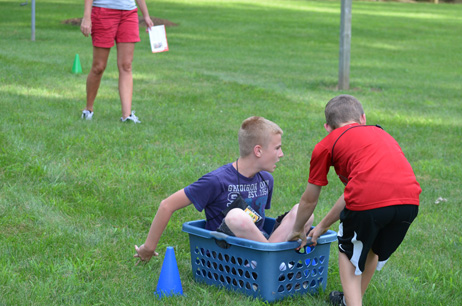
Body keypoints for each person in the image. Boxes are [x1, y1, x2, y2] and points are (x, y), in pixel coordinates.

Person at [288, 95, 421, 306]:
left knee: (349, 255)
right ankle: (349, 301)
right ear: (363, 118)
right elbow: (352, 191)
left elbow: (309, 200)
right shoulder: (381, 133)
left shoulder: (326, 144)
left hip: (368, 203)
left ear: (327, 127)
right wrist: (322, 225)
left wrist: (297, 229)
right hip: (409, 202)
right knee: (371, 249)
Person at [134, 116, 314, 264]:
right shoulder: (216, 180)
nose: (281, 154)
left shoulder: (266, 179)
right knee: (236, 216)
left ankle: (271, 264)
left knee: (304, 212)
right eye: (277, 148)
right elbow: (167, 205)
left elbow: (259, 222)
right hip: (228, 255)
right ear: (258, 151)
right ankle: (275, 264)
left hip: (258, 247)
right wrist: (148, 248)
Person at [80, 0, 154, 123]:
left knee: (126, 65)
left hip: (129, 13)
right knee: (99, 66)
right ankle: (88, 109)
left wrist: (146, 15)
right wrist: (86, 16)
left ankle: (127, 115)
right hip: (103, 12)